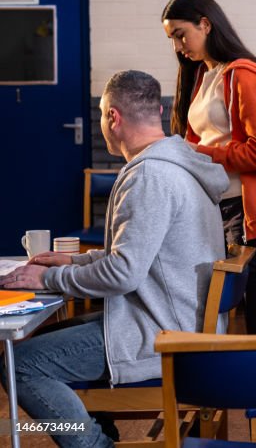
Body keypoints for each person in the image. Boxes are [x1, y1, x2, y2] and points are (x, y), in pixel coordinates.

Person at [0, 70, 226, 448]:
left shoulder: (149, 176)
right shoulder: (177, 162)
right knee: (41, 341)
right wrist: (72, 264)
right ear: (158, 110)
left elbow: (123, 274)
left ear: (113, 118)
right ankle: (100, 430)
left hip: (164, 335)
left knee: (19, 365)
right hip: (177, 320)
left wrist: (44, 280)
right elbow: (142, 256)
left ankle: (93, 443)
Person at [162, 0, 256, 334]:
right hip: (218, 208)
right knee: (217, 309)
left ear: (205, 24)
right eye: (172, 39)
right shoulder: (203, 77)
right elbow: (197, 142)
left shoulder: (243, 74)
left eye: (180, 35)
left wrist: (199, 154)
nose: (178, 46)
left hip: (250, 211)